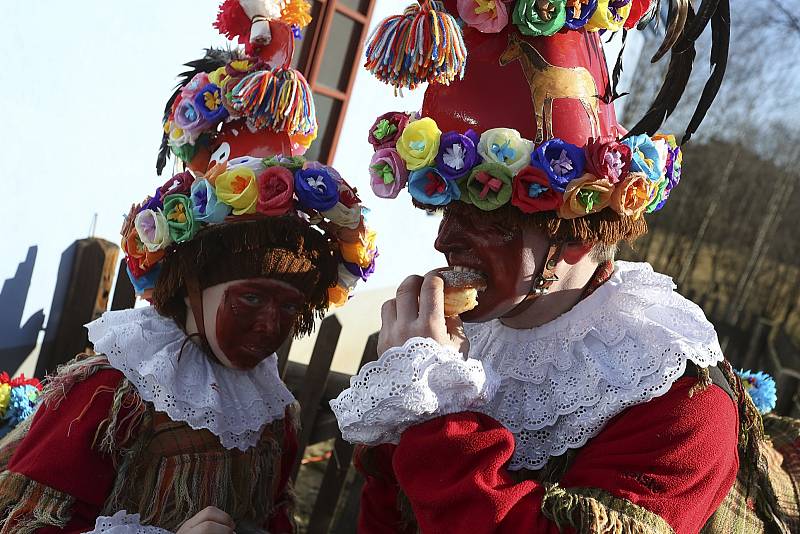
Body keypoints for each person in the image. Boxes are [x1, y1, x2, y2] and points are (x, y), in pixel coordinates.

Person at [331, 1, 799, 532]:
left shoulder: (677, 402)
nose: (443, 241)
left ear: (576, 235)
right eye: (444, 208)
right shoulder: (453, 347)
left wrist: (440, 425)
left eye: (487, 213)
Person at [0, 2, 378, 533]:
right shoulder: (110, 394)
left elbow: (274, 517)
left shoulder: (273, 417)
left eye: (289, 307)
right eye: (250, 298)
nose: (271, 325)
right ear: (192, 284)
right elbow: (24, 523)